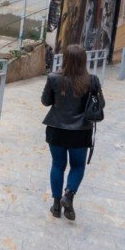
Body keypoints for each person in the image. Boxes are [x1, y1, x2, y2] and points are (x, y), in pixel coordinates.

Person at [41, 44, 104, 220]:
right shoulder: (92, 80)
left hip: (56, 129)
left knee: (57, 165)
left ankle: (55, 205)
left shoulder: (54, 78)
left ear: (65, 59)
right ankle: (68, 196)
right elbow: (101, 105)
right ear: (84, 60)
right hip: (81, 131)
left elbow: (46, 101)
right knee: (77, 166)